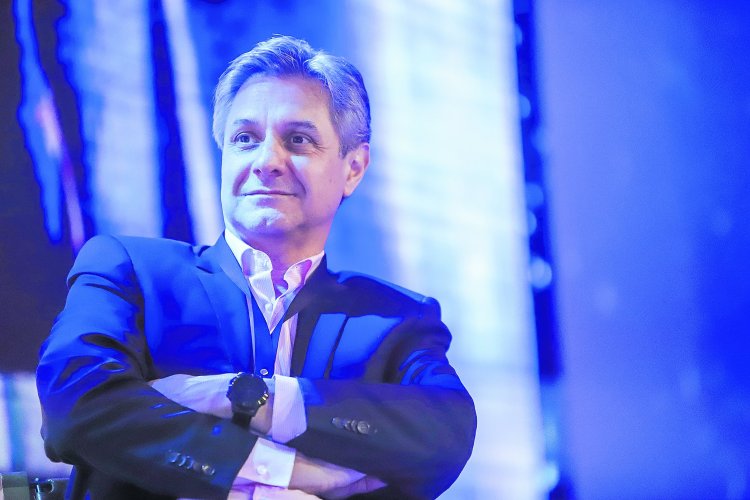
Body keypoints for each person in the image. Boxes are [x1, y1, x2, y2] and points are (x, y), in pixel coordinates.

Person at [36, 35, 476, 500]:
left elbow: (447, 433)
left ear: (353, 168)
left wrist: (252, 399)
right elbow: (73, 404)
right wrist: (282, 471)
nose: (266, 161)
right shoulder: (131, 271)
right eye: (245, 139)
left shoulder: (395, 318)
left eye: (298, 139)